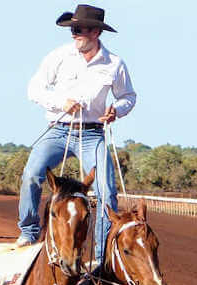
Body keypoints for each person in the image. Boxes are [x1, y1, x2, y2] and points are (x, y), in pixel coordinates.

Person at [16, 4, 135, 267]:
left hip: (93, 134)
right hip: (58, 130)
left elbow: (128, 97)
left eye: (78, 30)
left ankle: (102, 255)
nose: (74, 34)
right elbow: (34, 89)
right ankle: (28, 233)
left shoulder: (114, 64)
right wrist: (60, 102)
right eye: (72, 29)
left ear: (95, 32)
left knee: (107, 191)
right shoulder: (58, 56)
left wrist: (117, 110)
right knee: (32, 175)